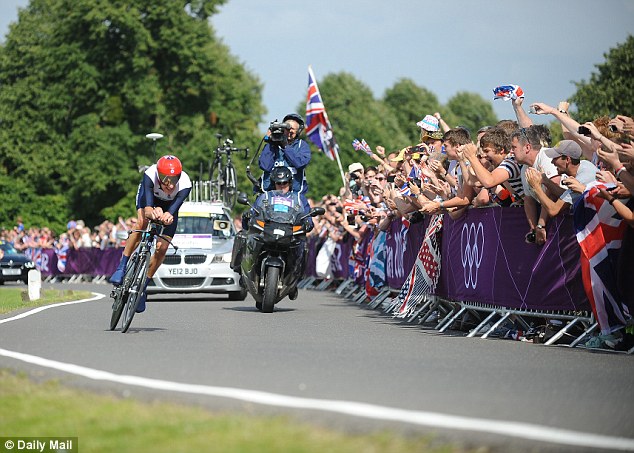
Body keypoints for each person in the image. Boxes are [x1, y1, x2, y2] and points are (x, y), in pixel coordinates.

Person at [110, 155, 192, 313]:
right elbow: (148, 209)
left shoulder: (186, 184)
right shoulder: (150, 174)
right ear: (159, 176)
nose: (169, 184)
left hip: (169, 204)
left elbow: (173, 210)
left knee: (162, 247)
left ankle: (143, 288)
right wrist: (152, 210)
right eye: (165, 179)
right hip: (149, 199)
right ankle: (122, 266)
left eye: (174, 180)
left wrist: (167, 215)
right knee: (142, 223)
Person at [231, 167, 312, 283]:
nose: (282, 186)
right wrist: (249, 214)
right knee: (243, 236)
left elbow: (307, 214)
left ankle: (295, 277)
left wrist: (308, 221)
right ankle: (243, 269)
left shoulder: (299, 199)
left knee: (302, 244)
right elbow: (255, 211)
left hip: (288, 233)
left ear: (290, 183)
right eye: (278, 183)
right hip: (267, 231)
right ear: (274, 184)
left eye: (285, 183)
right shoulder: (265, 197)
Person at [525, 140, 598, 217]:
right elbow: (566, 196)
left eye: (555, 158)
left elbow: (553, 210)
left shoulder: (581, 180)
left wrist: (536, 187)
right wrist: (545, 180)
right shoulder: (584, 164)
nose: (552, 162)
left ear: (567, 159)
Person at [258, 113, 311, 195]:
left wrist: (285, 146)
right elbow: (265, 166)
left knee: (307, 208)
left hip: (295, 195)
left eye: (292, 129)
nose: (289, 131)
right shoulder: (272, 146)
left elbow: (300, 163)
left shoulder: (302, 145)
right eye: (286, 128)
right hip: (270, 195)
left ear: (298, 131)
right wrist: (270, 143)